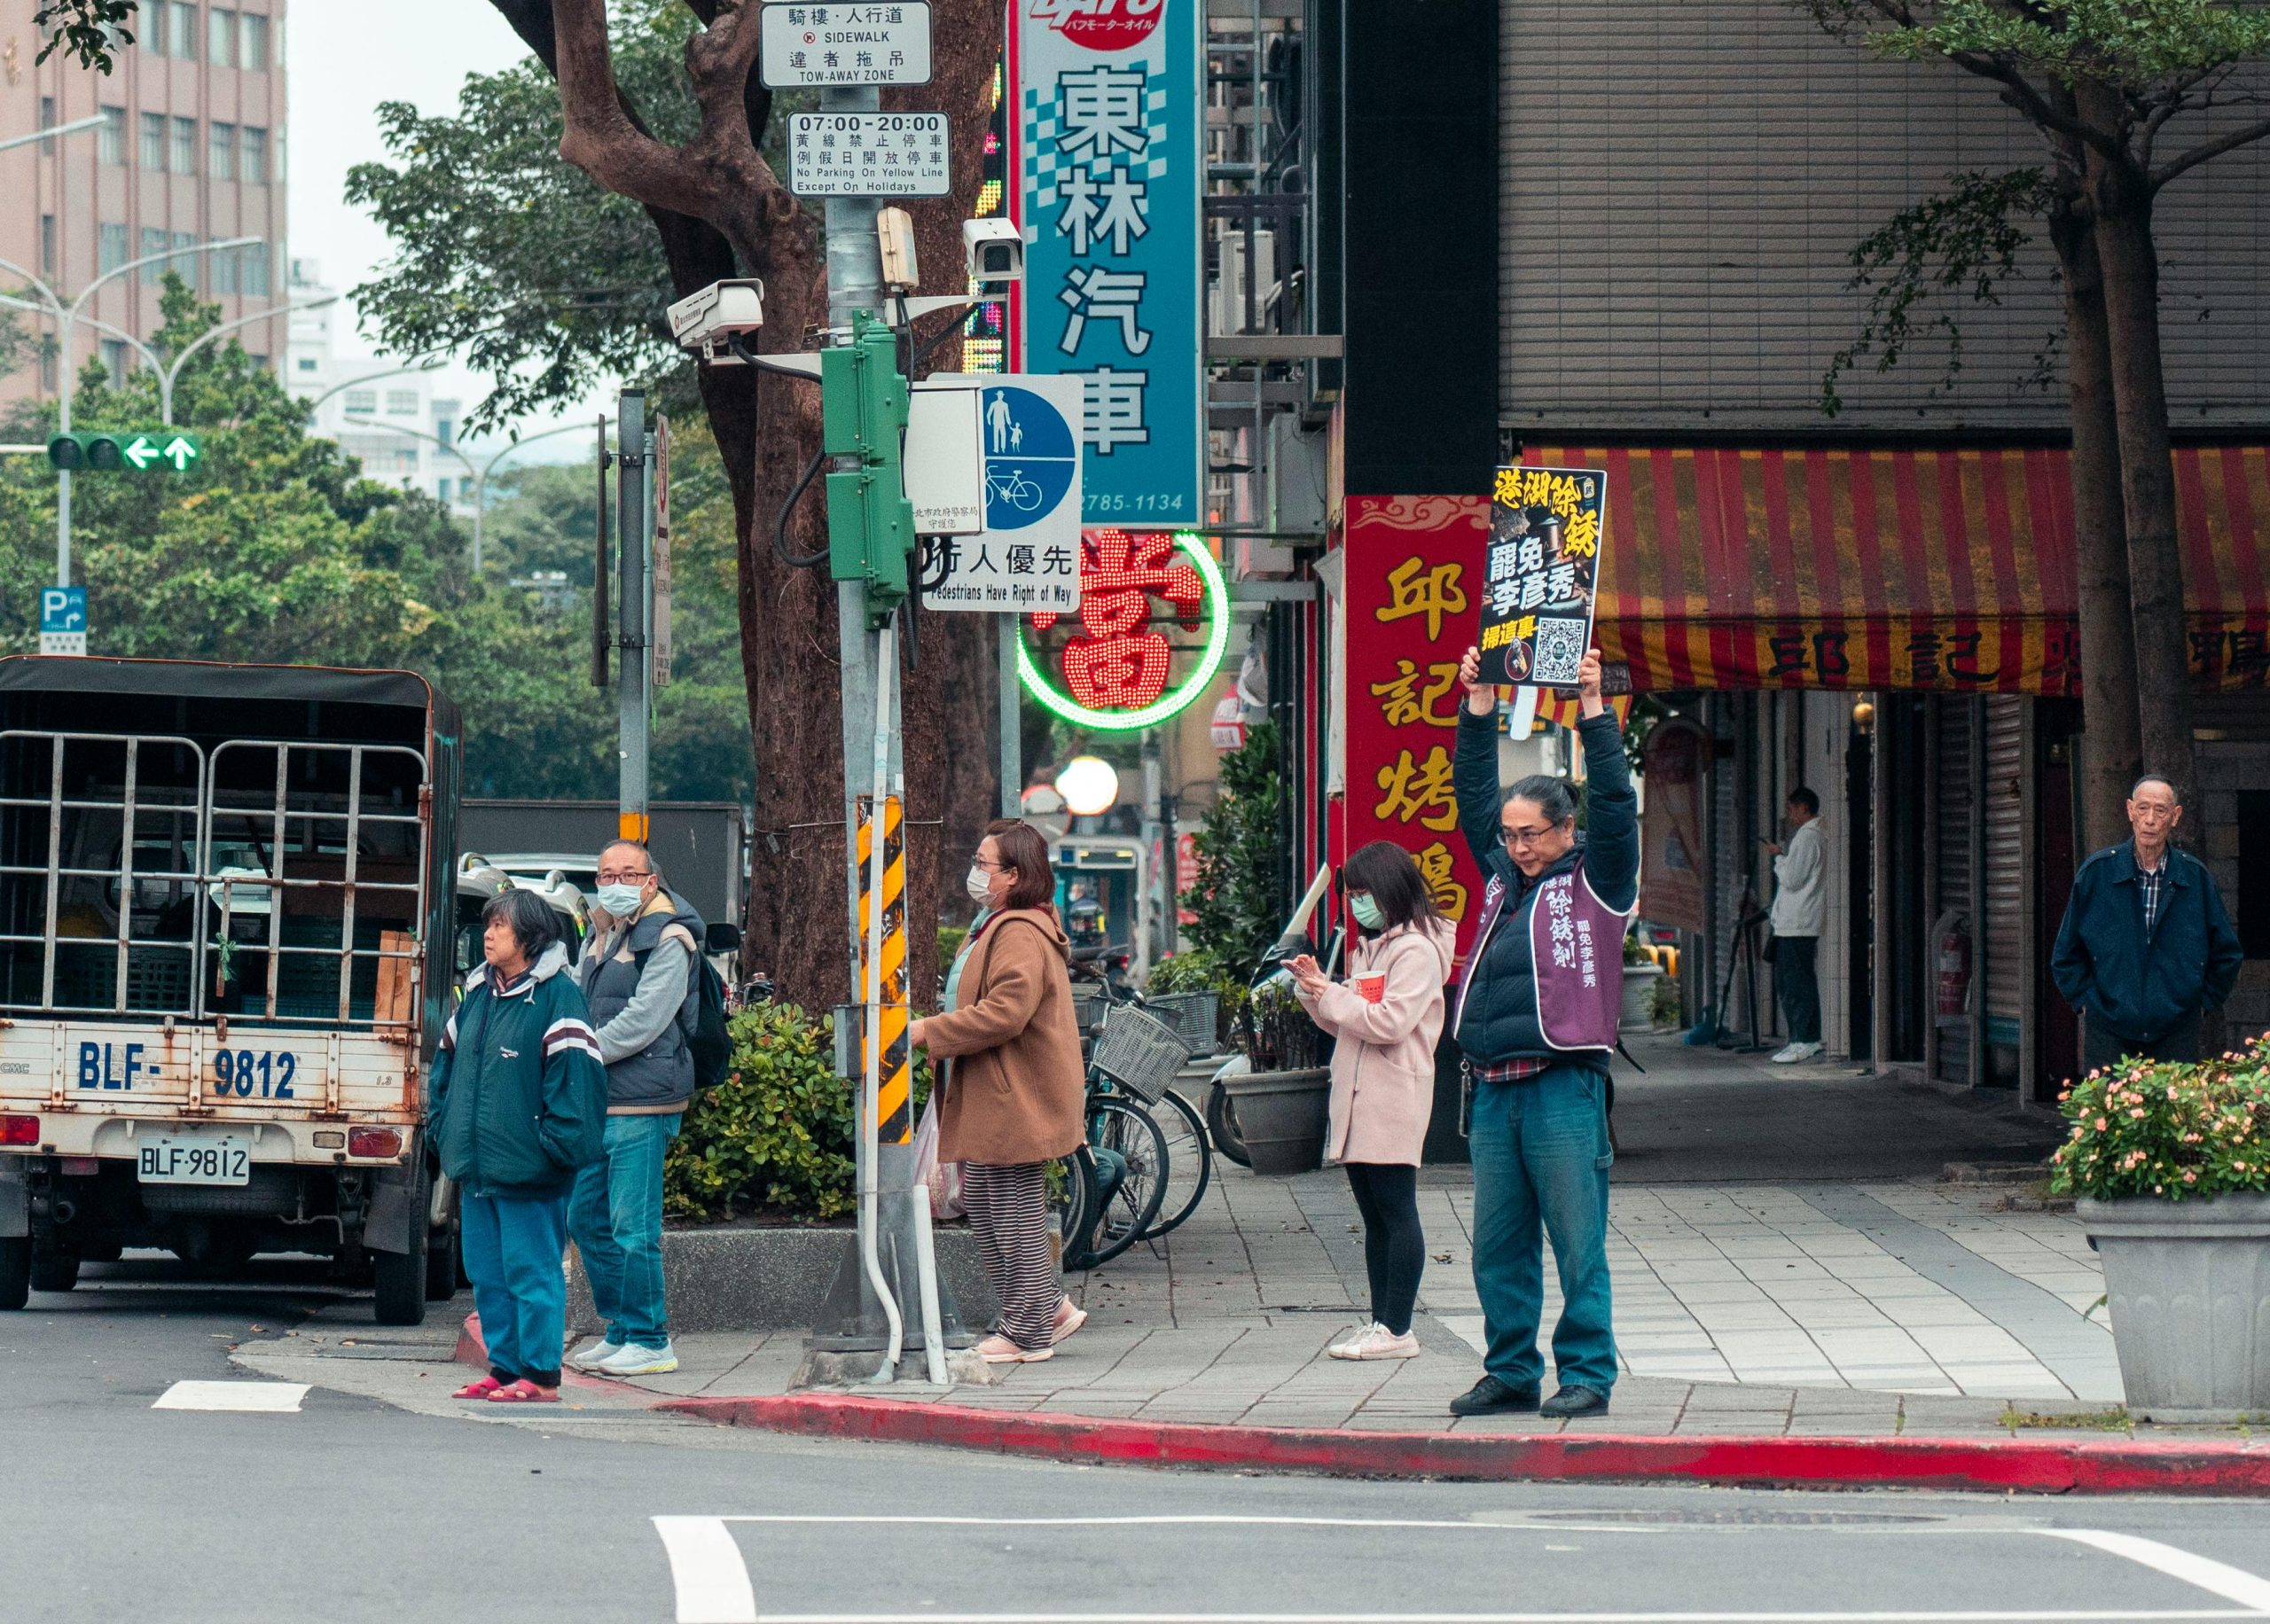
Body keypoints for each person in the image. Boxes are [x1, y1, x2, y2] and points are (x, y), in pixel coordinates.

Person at [1444, 644, 1638, 1420]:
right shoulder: (1500, 881)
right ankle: (1511, 1371)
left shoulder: (1600, 878)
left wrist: (1592, 710)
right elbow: (1470, 791)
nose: (1518, 845)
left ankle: (1587, 1373)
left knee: (1577, 1244)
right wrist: (1478, 707)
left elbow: (1617, 805)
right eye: (1511, 835)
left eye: (1532, 833)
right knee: (1498, 1249)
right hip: (1494, 1092)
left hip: (1563, 1090)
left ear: (1565, 829)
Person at [909, 820, 1088, 1363]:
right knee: (990, 1204)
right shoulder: (994, 924)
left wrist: (926, 1033)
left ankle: (1027, 1331)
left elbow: (1006, 1011)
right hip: (994, 1089)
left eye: (984, 865)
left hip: (1014, 1093)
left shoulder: (1017, 931)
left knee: (1011, 1210)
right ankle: (1044, 1308)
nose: (975, 873)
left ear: (1014, 875)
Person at [433, 888, 607, 1404]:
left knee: (533, 1276)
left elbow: (577, 1087)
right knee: (488, 1277)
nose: (487, 934)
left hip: (533, 1172)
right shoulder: (478, 994)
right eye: (487, 925)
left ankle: (540, 1376)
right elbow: (445, 1071)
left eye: (500, 927)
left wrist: (550, 1150)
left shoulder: (558, 998)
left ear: (530, 937)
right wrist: (447, 1133)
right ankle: (504, 1370)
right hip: (477, 1167)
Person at [1288, 841, 1456, 1361]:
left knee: (1396, 1209)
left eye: (1365, 894)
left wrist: (1332, 995)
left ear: (1392, 890)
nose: (1358, 905)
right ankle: (1383, 1321)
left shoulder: (1417, 952)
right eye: (1352, 895)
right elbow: (1347, 1022)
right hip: (1358, 1094)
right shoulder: (1370, 949)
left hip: (1393, 1094)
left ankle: (1398, 1328)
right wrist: (1314, 992)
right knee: (1374, 1215)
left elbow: (1388, 1023)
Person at [565, 839, 707, 1378]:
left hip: (644, 1101)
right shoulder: (607, 932)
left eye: (628, 873)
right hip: (602, 1099)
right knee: (586, 1218)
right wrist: (598, 932)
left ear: (651, 882)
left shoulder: (670, 937)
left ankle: (651, 1338)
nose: (615, 883)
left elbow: (647, 1019)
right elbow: (580, 999)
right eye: (605, 874)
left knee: (632, 1227)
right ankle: (620, 1329)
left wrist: (582, 1053)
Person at [2052, 774, 2243, 1074]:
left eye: (2160, 810)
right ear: (2130, 811)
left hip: (2176, 1034)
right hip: (2109, 1034)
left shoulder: (2194, 879)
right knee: (2110, 1119)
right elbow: (2065, 954)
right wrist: (2088, 1004)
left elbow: (2227, 954)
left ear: (2175, 817)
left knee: (2172, 1119)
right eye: (2142, 809)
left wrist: (2200, 1005)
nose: (2150, 820)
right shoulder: (2097, 874)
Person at [1760, 786, 1825, 1064]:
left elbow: (1793, 879)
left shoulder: (1808, 837)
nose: (1790, 815)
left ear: (1803, 809)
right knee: (1790, 983)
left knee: (1796, 984)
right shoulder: (1811, 837)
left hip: (1798, 923)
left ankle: (1806, 1040)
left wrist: (1778, 857)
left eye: (1792, 809)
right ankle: (1799, 1038)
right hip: (1794, 923)